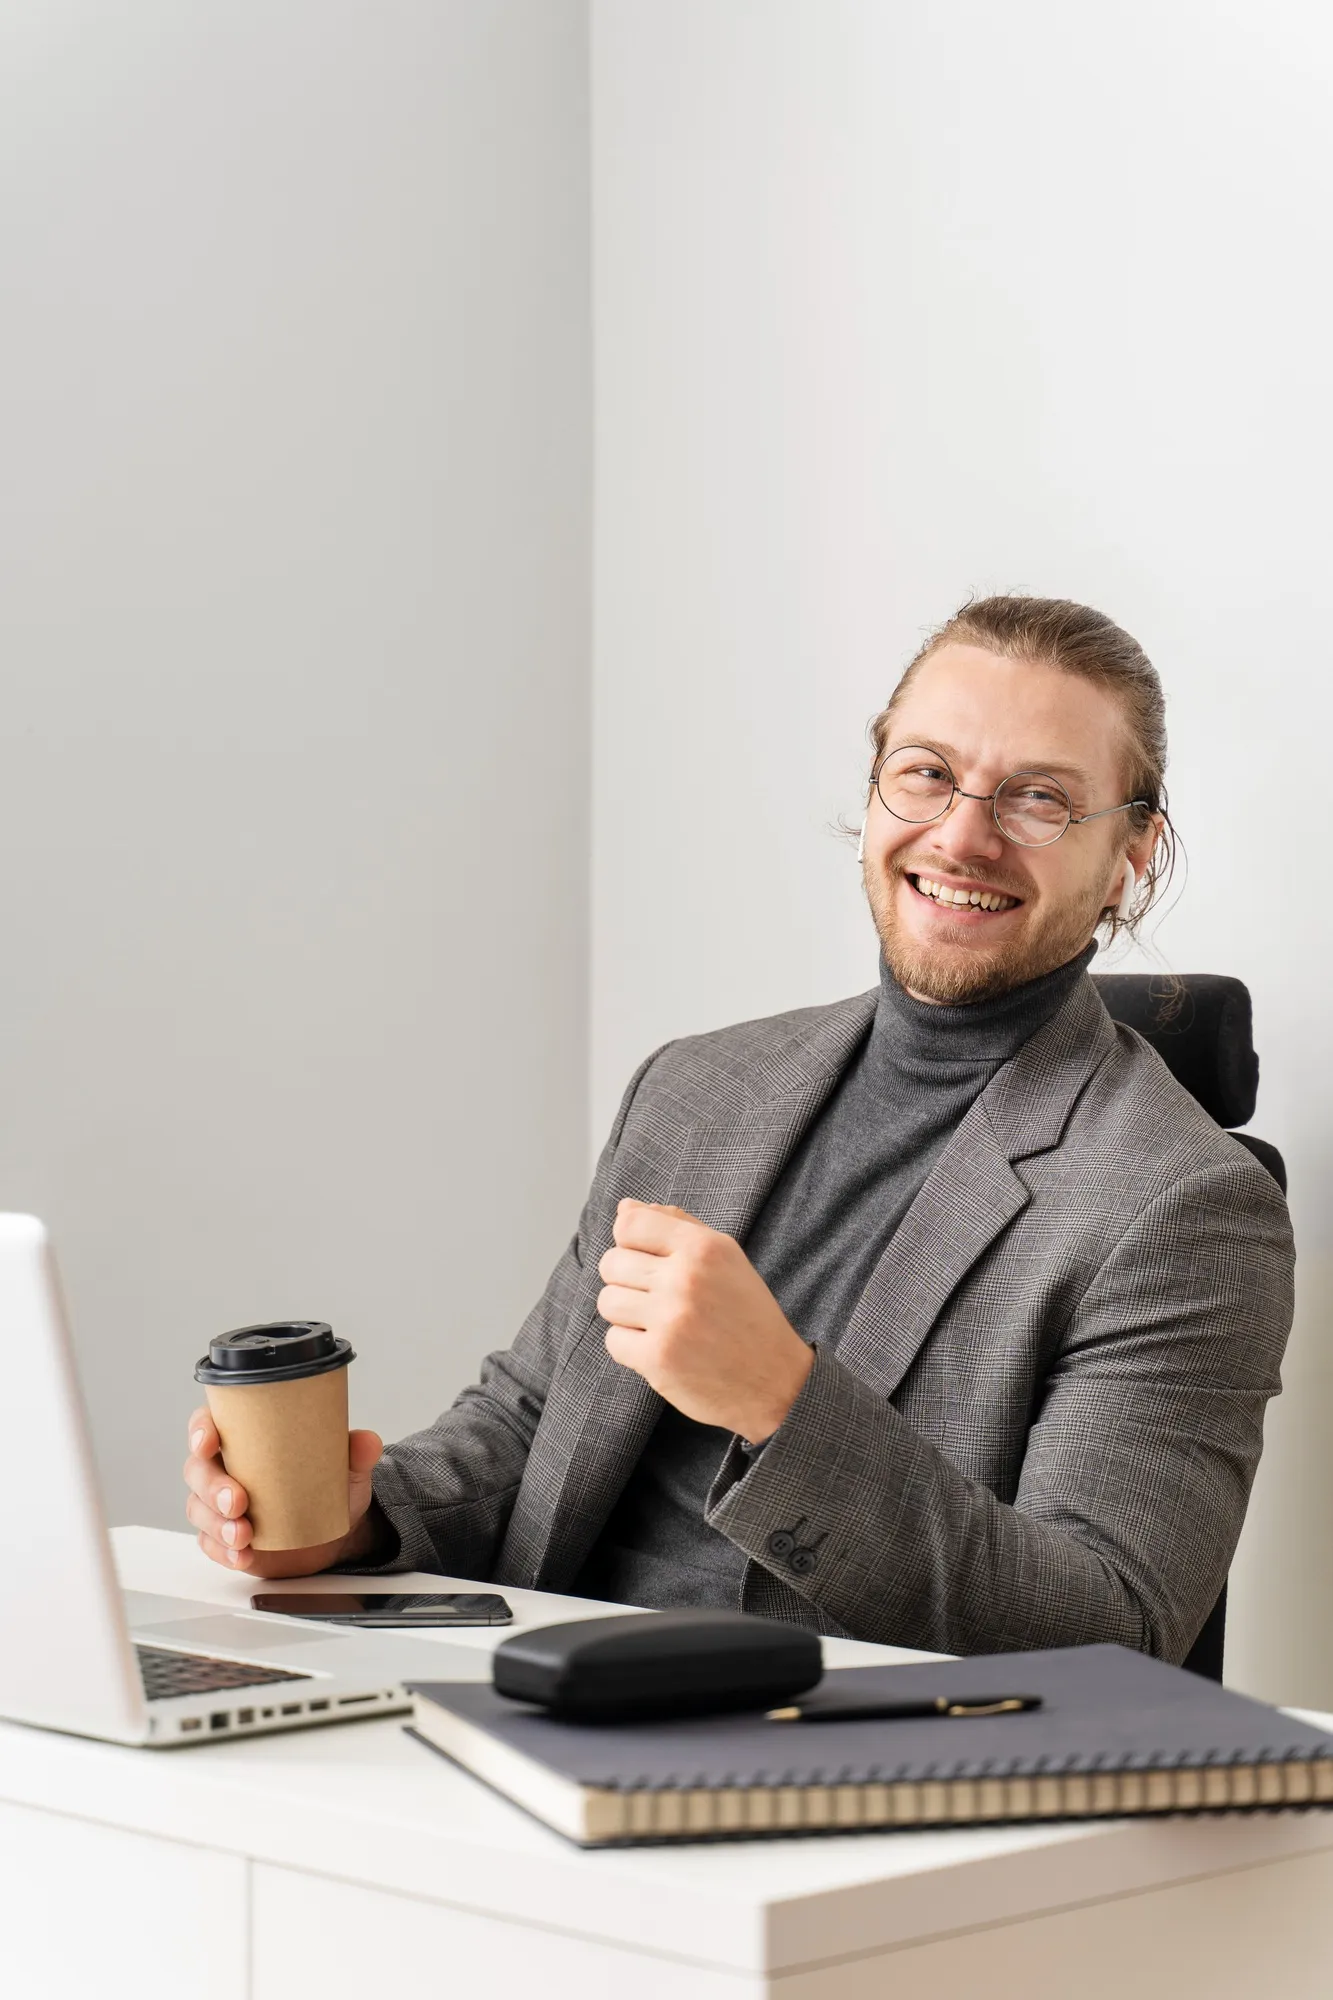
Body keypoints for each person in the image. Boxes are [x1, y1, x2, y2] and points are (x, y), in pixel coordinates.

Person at [183, 595, 1294, 1661]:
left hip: (809, 1748)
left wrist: (780, 1398)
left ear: (1131, 856)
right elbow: (529, 1423)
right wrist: (360, 1516)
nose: (961, 835)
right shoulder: (699, 1088)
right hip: (525, 1686)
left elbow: (1108, 1627)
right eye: (926, 773)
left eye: (1038, 798)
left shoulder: (1181, 1207)